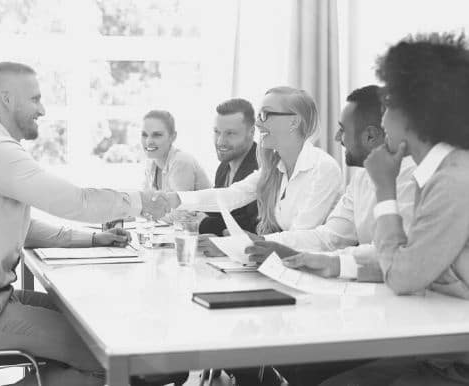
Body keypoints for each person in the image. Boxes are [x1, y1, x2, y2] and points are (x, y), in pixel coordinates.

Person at [0, 62, 171, 386]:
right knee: (112, 355)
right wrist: (142, 202)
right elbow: (76, 201)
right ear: (6, 99)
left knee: (94, 321)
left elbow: (23, 229)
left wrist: (92, 240)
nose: (42, 110)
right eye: (35, 99)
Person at [321, 32, 469, 386]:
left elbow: (404, 276)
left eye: (388, 106)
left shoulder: (453, 181)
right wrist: (337, 264)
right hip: (437, 354)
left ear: (413, 114)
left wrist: (384, 189)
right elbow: (419, 261)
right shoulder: (437, 174)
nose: (382, 119)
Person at [245, 85, 417, 283]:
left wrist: (330, 262)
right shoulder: (362, 178)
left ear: (370, 136)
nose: (336, 138)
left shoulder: (411, 179)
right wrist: (266, 244)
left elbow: (392, 254)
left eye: (343, 130)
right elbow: (330, 237)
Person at [165, 87, 342, 238]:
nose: (257, 123)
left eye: (265, 115)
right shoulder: (274, 168)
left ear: (293, 122)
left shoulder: (323, 168)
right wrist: (173, 199)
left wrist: (253, 244)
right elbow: (231, 196)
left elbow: (302, 236)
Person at [198, 98, 259, 236]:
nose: (220, 142)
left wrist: (203, 223)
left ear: (251, 132)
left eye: (230, 133)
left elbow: (252, 225)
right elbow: (220, 212)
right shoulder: (224, 167)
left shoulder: (260, 167)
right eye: (217, 132)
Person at [142, 109, 211, 192]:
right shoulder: (151, 163)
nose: (148, 141)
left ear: (173, 137)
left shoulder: (181, 162)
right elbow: (145, 200)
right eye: (144, 135)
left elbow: (179, 204)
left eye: (157, 135)